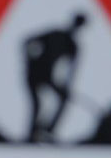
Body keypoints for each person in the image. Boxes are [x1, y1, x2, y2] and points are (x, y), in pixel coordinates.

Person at [23, 13, 86, 143]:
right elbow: (27, 41)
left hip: (48, 78)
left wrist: (65, 87)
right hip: (34, 75)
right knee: (37, 104)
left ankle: (48, 131)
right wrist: (30, 61)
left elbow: (71, 71)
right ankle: (32, 135)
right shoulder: (55, 34)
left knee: (63, 98)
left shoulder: (73, 46)